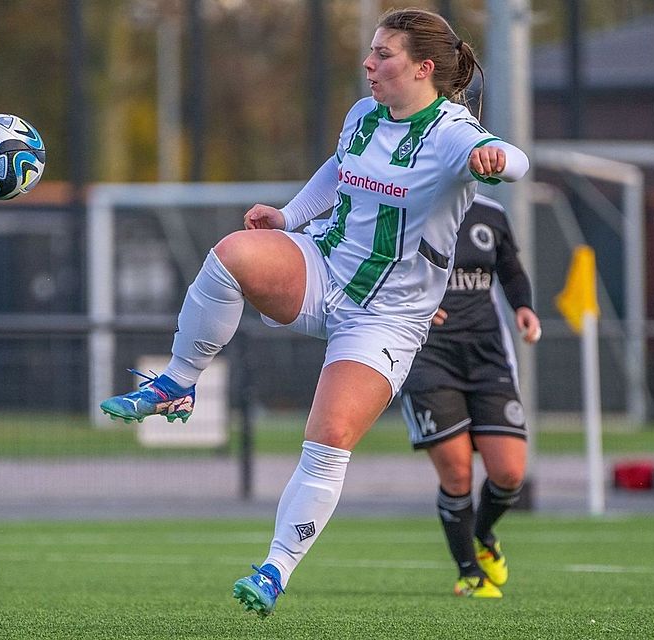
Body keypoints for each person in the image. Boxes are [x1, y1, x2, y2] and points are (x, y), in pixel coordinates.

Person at [100, 7, 529, 616]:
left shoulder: (454, 133)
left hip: (386, 318)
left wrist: (498, 161)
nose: (369, 63)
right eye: (371, 50)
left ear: (423, 69)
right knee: (232, 255)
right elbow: (337, 172)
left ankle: (275, 569)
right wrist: (288, 217)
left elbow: (515, 159)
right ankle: (178, 382)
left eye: (384, 54)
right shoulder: (362, 115)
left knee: (327, 439)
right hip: (322, 267)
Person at [399, 193, 540, 599]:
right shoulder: (404, 205)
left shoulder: (491, 212)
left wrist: (524, 308)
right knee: (457, 472)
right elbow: (378, 270)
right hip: (427, 354)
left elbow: (511, 271)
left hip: (487, 357)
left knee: (509, 472)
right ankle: (469, 572)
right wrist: (412, 304)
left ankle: (482, 533)